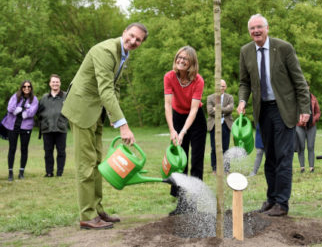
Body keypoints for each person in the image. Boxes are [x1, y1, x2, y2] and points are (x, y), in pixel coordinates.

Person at [61, 23, 148, 230]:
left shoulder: (123, 54)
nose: (133, 41)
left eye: (138, 40)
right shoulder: (106, 51)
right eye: (132, 36)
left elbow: (115, 87)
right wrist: (123, 125)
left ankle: (97, 210)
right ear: (124, 31)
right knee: (86, 164)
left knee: (98, 162)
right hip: (82, 109)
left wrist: (112, 115)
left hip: (96, 111)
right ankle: (87, 216)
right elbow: (106, 88)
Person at [237, 14, 310, 217]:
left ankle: (282, 204)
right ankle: (271, 199)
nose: (256, 31)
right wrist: (242, 100)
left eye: (259, 27)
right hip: (263, 111)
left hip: (283, 109)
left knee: (284, 157)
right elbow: (244, 82)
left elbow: (299, 80)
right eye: (252, 28)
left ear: (267, 28)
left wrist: (305, 109)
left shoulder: (283, 48)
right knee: (269, 157)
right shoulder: (246, 51)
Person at [164, 46, 207, 215]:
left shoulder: (198, 80)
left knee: (196, 162)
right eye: (179, 57)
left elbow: (194, 109)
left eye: (185, 59)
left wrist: (183, 132)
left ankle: (194, 205)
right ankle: (182, 204)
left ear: (192, 63)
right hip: (177, 116)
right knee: (180, 162)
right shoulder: (169, 76)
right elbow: (168, 104)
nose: (181, 61)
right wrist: (173, 130)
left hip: (195, 120)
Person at [2, 80, 39, 181]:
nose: (26, 88)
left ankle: (21, 173)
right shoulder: (15, 96)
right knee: (12, 149)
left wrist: (19, 110)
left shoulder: (34, 99)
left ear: (31, 88)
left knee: (24, 149)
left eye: (28, 86)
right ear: (21, 87)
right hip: (13, 127)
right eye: (24, 86)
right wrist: (21, 110)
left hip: (26, 127)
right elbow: (10, 108)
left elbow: (31, 112)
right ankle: (10, 173)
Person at [37, 74, 69, 178]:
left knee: (61, 152)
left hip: (61, 128)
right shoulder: (44, 98)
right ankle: (49, 172)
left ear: (60, 83)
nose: (55, 84)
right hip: (47, 128)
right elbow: (39, 112)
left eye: (57, 82)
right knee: (48, 152)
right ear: (50, 84)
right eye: (53, 82)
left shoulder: (66, 96)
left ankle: (59, 172)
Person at [206, 79, 234, 174]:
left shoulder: (229, 97)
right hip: (214, 125)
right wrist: (224, 109)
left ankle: (226, 169)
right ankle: (214, 169)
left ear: (225, 87)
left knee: (226, 148)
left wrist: (217, 108)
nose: (221, 88)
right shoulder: (210, 98)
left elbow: (230, 109)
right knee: (214, 148)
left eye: (223, 86)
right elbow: (210, 111)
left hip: (226, 125)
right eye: (219, 86)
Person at [295, 82, 321, 173]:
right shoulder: (296, 98)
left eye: (306, 86)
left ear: (309, 87)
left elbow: (318, 112)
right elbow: (292, 112)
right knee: (301, 147)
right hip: (299, 126)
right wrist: (299, 120)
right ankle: (302, 167)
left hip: (311, 126)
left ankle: (311, 167)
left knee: (310, 146)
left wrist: (314, 119)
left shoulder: (313, 98)